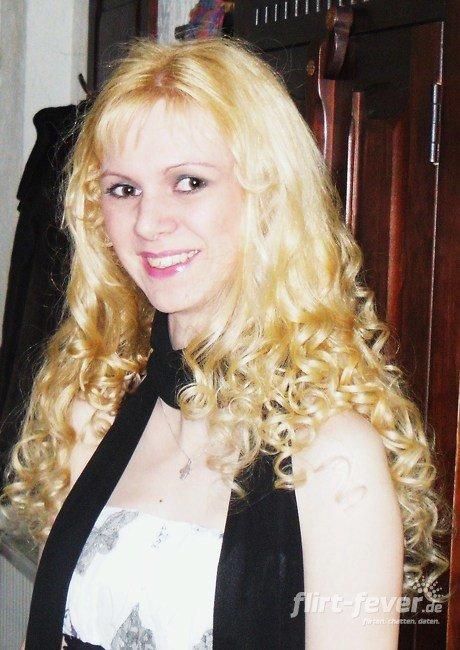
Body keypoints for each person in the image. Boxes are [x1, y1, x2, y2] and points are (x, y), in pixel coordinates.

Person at [1, 36, 451, 649]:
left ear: (268, 197)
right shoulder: (92, 409)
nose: (148, 223)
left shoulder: (334, 458)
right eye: (123, 189)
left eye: (189, 182)